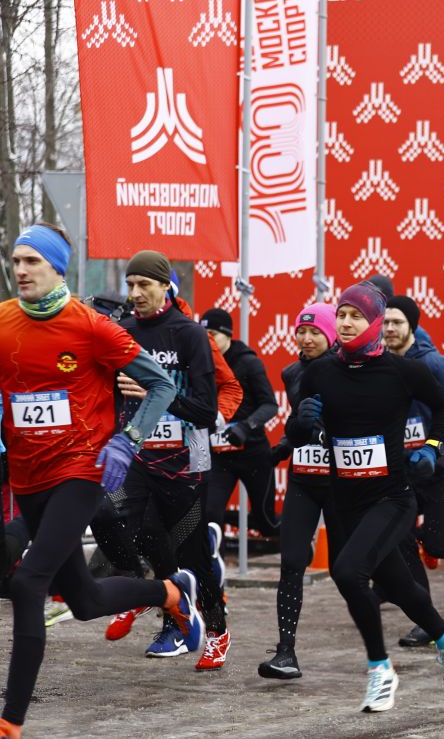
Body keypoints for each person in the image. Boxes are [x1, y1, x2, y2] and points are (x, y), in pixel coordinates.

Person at [0, 225, 205, 736]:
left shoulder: (91, 327)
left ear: (56, 269)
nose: (20, 270)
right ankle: (169, 593)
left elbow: (159, 384)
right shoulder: (2, 322)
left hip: (81, 471)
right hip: (28, 476)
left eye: (32, 262)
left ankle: (10, 723)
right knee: (85, 601)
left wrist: (127, 439)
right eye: (16, 261)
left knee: (29, 583)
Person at [288, 281, 444, 712]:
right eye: (343, 315)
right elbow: (298, 434)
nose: (347, 323)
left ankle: (380, 670)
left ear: (373, 323)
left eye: (357, 316)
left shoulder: (402, 370)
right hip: (345, 498)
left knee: (348, 572)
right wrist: (302, 420)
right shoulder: (320, 372)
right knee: (399, 585)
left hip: (391, 498)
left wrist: (431, 447)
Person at [101, 250, 230, 668]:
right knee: (114, 520)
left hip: (186, 459)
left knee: (192, 555)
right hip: (139, 454)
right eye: (131, 285)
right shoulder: (124, 330)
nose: (136, 293)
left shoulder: (189, 334)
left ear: (164, 287)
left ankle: (217, 629)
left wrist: (157, 395)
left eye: (145, 285)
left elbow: (205, 411)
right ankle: (149, 593)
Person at [381, 295, 444, 649]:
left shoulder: (434, 364)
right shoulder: (380, 364)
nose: (390, 329)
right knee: (401, 538)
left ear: (412, 327)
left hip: (434, 469)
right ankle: (426, 618)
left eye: (397, 323)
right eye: (386, 323)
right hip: (399, 473)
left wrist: (440, 449)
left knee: (436, 542)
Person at [259, 303, 339, 679]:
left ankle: (435, 633)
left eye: (315, 333)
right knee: (291, 562)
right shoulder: (292, 372)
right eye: (301, 332)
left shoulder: (350, 371)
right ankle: (285, 653)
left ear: (332, 335)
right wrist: (284, 446)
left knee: (349, 571)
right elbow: (300, 424)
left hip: (344, 481)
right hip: (305, 478)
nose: (306, 339)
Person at [200, 308, 279, 538]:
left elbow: (270, 405)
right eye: (203, 334)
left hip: (253, 454)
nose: (208, 340)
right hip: (220, 457)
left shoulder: (248, 363)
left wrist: (246, 426)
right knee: (210, 514)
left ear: (228, 334)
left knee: (266, 523)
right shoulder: (200, 362)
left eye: (213, 333)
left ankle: (296, 538)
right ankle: (215, 571)